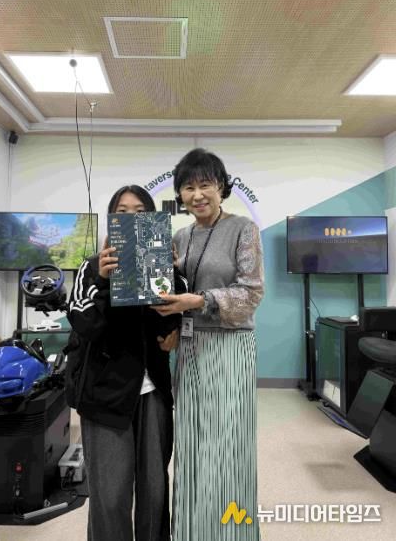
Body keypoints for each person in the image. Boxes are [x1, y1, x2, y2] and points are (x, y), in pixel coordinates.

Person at [151, 148, 265, 541]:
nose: (197, 195)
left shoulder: (243, 229)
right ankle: (191, 531)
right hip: (190, 349)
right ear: (180, 195)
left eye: (205, 185)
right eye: (188, 187)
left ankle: (232, 533)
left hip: (231, 347)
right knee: (193, 444)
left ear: (221, 188)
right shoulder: (180, 237)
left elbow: (251, 293)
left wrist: (199, 301)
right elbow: (171, 292)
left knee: (229, 446)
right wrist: (170, 323)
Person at [66, 185, 184, 541]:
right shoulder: (91, 268)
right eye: (122, 210)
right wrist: (103, 282)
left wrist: (170, 277)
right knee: (110, 493)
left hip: (153, 391)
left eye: (140, 211)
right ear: (111, 219)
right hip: (105, 395)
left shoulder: (160, 263)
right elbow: (85, 324)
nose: (131, 217)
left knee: (154, 487)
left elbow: (169, 325)